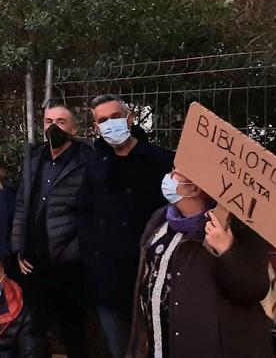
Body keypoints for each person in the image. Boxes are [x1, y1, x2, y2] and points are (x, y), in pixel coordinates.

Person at [127, 170, 272, 358]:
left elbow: (253, 289)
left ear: (194, 188)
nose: (168, 176)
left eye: (176, 173)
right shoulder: (161, 219)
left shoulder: (236, 228)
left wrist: (227, 250)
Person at [78, 94, 173, 357]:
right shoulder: (95, 162)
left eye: (115, 117)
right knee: (118, 348)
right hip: (106, 278)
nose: (110, 124)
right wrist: (91, 251)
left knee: (156, 347)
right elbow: (84, 210)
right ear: (97, 128)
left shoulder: (161, 161)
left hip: (148, 276)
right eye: (103, 120)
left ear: (130, 118)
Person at [11, 104, 92, 358]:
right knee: (35, 327)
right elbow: (23, 203)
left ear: (74, 128)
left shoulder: (86, 161)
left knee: (73, 329)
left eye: (61, 121)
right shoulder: (35, 157)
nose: (53, 127)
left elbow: (91, 213)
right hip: (34, 260)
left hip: (68, 262)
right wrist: (18, 248)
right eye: (48, 121)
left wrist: (74, 252)